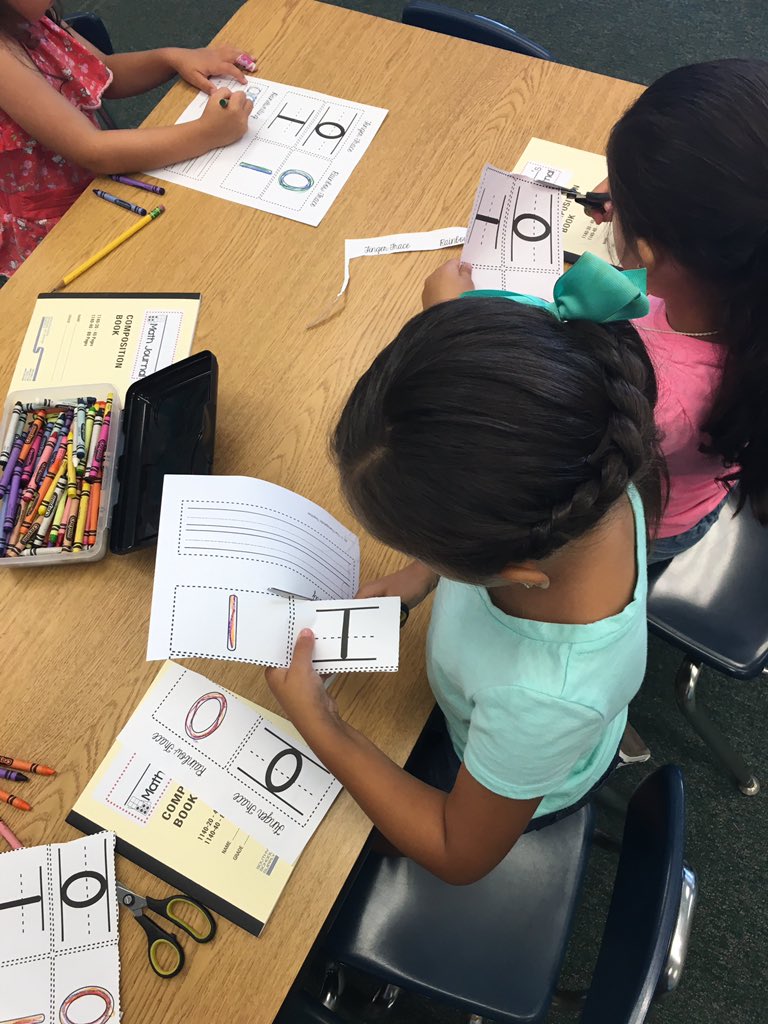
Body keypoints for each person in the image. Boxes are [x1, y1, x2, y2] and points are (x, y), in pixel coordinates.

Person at [267, 256, 662, 884]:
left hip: (512, 775)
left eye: (434, 549)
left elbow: (459, 852)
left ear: (512, 567)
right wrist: (420, 573)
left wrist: (323, 724)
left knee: (335, 867)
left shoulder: (540, 697)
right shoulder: (593, 477)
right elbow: (495, 441)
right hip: (504, 719)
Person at [585, 59, 768, 560]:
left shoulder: (659, 393)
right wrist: (645, 197)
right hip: (702, 483)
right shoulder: (740, 304)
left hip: (649, 523)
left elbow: (546, 459)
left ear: (645, 251)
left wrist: (454, 315)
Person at [0, 1, 255, 276]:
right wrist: (207, 132)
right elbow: (93, 151)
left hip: (106, 185)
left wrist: (172, 58)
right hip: (60, 229)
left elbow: (106, 71)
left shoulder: (28, 18)